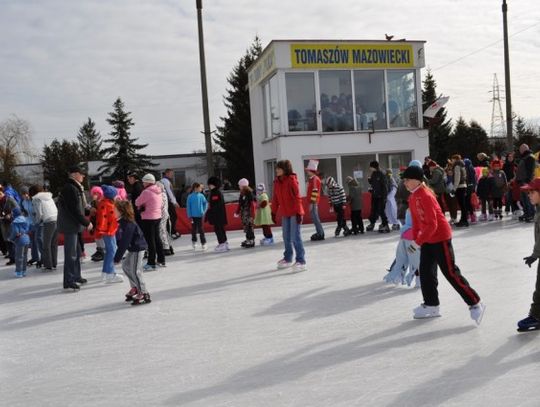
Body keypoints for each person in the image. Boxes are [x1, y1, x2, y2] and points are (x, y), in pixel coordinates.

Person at [401, 165, 485, 324]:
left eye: (407, 180)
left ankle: (475, 302)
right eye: (404, 180)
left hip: (440, 238)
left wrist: (417, 242)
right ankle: (431, 305)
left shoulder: (426, 195)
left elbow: (432, 224)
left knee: (450, 272)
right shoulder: (412, 197)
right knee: (426, 273)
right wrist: (414, 239)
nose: (405, 183)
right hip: (427, 240)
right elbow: (417, 223)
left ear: (417, 180)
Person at [57, 165, 93, 290]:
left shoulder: (75, 187)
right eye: (81, 173)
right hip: (70, 225)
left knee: (76, 253)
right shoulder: (70, 188)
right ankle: (69, 280)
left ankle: (76, 276)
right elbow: (73, 209)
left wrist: (87, 213)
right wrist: (86, 222)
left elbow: (79, 207)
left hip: (75, 225)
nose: (83, 176)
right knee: (71, 254)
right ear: (74, 174)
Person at [113, 200, 151, 305]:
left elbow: (125, 241)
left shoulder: (128, 223)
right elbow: (120, 239)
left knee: (135, 271)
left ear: (121, 211)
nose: (113, 211)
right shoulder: (121, 222)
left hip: (137, 248)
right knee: (126, 266)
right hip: (133, 248)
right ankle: (135, 287)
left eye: (115, 210)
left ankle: (144, 293)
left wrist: (117, 257)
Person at [271, 160, 306, 271]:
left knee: (295, 237)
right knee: (286, 237)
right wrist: (273, 211)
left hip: (295, 212)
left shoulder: (291, 180)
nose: (276, 170)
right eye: (276, 168)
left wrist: (299, 213)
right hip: (285, 213)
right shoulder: (276, 182)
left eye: (279, 168)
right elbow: (275, 198)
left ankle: (301, 260)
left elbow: (297, 197)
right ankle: (288, 258)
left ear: (285, 169)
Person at [135, 174, 166, 271]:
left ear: (148, 182)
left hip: (148, 218)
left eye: (144, 182)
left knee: (150, 241)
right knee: (157, 238)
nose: (143, 183)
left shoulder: (146, 192)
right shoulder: (158, 190)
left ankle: (151, 262)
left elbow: (137, 202)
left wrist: (142, 205)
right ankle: (161, 260)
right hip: (157, 217)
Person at [383, 209, 420, 288]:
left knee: (403, 258)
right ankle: (418, 280)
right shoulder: (420, 208)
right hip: (415, 239)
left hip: (405, 237)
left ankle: (397, 276)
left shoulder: (409, 209)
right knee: (416, 260)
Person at [96, 185, 123, 283]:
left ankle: (105, 272)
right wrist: (101, 230)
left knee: (111, 250)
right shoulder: (106, 204)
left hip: (110, 230)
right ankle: (110, 273)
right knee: (112, 251)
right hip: (108, 231)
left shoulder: (109, 203)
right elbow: (103, 218)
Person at [30, 184, 58, 271]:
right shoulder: (49, 197)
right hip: (56, 219)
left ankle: (48, 265)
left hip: (48, 221)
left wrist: (37, 222)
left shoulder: (36, 199)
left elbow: (39, 213)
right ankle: (54, 263)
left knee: (46, 245)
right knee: (53, 244)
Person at [206, 177, 229, 252]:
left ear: (214, 184)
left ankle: (222, 243)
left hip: (218, 215)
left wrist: (210, 211)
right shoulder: (214, 192)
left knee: (218, 229)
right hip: (218, 215)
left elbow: (217, 204)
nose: (209, 186)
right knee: (220, 229)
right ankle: (224, 243)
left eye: (210, 184)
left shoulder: (216, 193)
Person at [20, 186, 41, 267]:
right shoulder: (23, 202)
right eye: (23, 194)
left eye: (26, 194)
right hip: (29, 224)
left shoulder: (33, 200)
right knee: (32, 242)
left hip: (37, 223)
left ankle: (42, 258)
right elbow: (24, 211)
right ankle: (35, 257)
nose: (25, 196)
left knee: (38, 241)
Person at [367, 161, 389, 233]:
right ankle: (372, 223)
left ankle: (385, 224)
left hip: (381, 196)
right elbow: (374, 184)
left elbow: (385, 186)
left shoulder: (382, 174)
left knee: (381, 210)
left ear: (374, 167)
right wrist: (370, 181)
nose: (370, 168)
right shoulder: (373, 174)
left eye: (371, 167)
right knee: (373, 210)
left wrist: (384, 197)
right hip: (374, 195)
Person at [516, 144, 536, 222]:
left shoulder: (530, 157)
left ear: (525, 149)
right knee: (523, 199)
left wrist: (528, 180)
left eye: (521, 149)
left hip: (527, 182)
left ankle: (531, 214)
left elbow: (530, 170)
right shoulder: (524, 157)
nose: (520, 150)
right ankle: (527, 212)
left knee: (528, 198)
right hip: (522, 181)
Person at [305, 160, 325, 241]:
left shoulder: (314, 179)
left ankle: (320, 233)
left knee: (315, 218)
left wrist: (311, 203)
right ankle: (319, 232)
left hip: (313, 202)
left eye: (308, 171)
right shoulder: (313, 179)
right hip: (313, 202)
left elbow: (315, 191)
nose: (307, 172)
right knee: (315, 218)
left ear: (311, 171)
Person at [9, 207, 30, 278]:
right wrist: (23, 232)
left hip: (20, 241)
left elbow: (15, 232)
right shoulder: (25, 219)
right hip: (27, 239)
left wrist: (10, 238)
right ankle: (24, 271)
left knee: (19, 257)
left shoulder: (14, 222)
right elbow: (27, 228)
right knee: (25, 256)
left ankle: (19, 272)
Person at [187, 182, 208, 251]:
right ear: (196, 188)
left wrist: (204, 211)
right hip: (193, 216)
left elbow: (205, 203)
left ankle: (203, 243)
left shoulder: (201, 196)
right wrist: (189, 215)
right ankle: (194, 241)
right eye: (200, 188)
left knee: (201, 230)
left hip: (200, 215)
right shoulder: (190, 196)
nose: (201, 189)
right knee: (194, 230)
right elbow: (188, 207)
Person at [0, 187, 19, 265]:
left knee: (12, 241)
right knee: (7, 241)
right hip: (3, 223)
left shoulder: (9, 199)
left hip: (11, 222)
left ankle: (16, 257)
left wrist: (10, 215)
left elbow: (17, 209)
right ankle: (12, 258)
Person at [236, 178, 256, 248]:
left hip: (248, 213)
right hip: (244, 213)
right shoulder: (242, 194)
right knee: (246, 227)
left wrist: (253, 213)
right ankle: (248, 239)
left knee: (249, 226)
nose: (239, 187)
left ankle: (251, 240)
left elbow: (252, 203)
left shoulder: (249, 193)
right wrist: (237, 212)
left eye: (240, 185)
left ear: (244, 186)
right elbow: (240, 203)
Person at [161, 169, 180, 239]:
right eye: (171, 173)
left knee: (172, 217)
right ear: (167, 173)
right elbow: (169, 192)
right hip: (167, 202)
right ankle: (171, 232)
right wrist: (174, 202)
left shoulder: (166, 181)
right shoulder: (165, 181)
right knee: (172, 217)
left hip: (167, 201)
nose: (172, 175)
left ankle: (173, 231)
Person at [156, 180, 174, 256]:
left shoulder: (161, 194)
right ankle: (169, 247)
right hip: (165, 215)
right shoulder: (164, 194)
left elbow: (160, 206)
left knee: (162, 231)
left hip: (162, 215)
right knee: (165, 231)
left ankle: (166, 248)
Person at [451, 155, 469, 227]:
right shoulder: (462, 165)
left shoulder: (457, 166)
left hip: (460, 187)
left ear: (455, 159)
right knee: (463, 205)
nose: (452, 161)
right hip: (463, 185)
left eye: (452, 160)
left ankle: (464, 220)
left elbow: (457, 178)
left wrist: (454, 189)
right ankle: (464, 219)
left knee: (462, 205)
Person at [89, 186, 105, 262]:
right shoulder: (93, 202)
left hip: (101, 221)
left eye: (96, 193)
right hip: (94, 221)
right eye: (94, 193)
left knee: (100, 237)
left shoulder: (102, 201)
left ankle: (102, 251)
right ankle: (99, 250)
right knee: (96, 237)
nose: (95, 195)